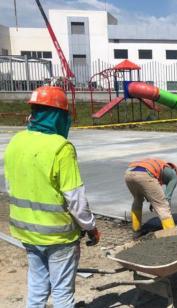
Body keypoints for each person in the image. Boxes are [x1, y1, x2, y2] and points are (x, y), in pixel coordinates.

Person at [4, 85, 99, 307]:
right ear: (58, 115)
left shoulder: (16, 141)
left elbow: (11, 185)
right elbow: (75, 198)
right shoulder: (61, 147)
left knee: (37, 288)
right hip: (58, 236)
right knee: (62, 293)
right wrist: (90, 228)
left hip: (27, 232)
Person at [125, 158, 177, 234]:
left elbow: (151, 192)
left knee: (138, 199)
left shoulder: (156, 167)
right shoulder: (171, 173)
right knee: (162, 205)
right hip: (145, 175)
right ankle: (171, 233)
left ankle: (136, 228)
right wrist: (166, 202)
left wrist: (153, 201)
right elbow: (168, 195)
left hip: (129, 174)